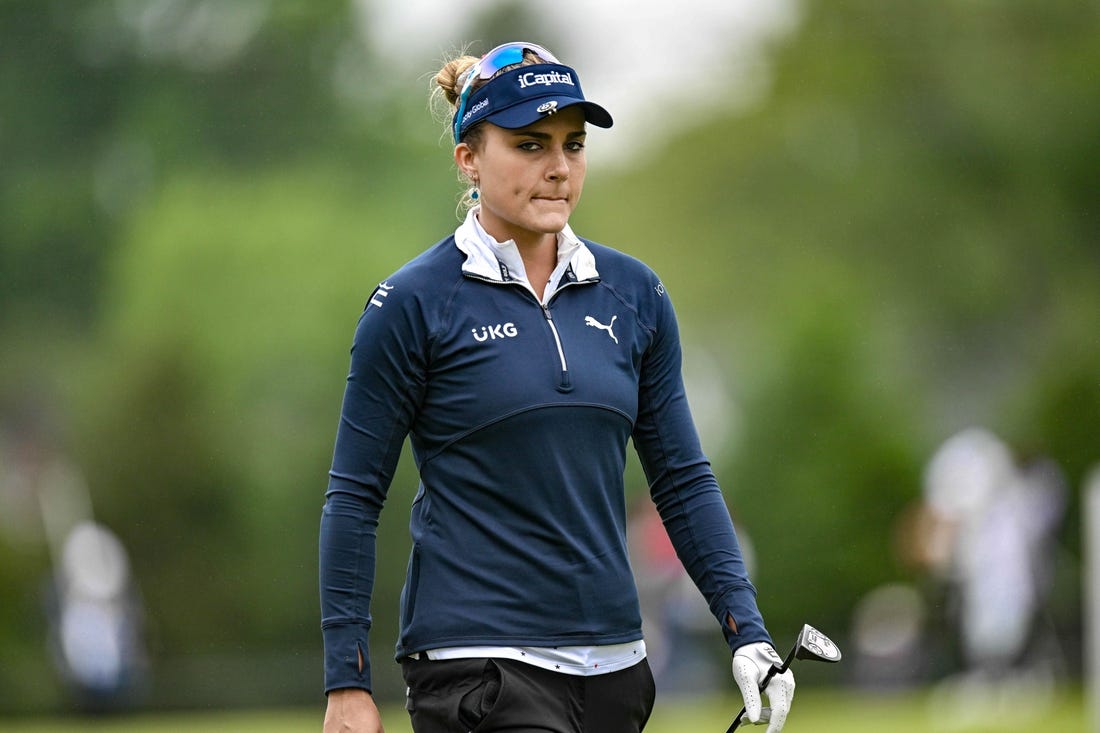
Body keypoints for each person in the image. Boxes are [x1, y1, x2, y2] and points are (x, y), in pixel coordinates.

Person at [319, 41, 795, 733]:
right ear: (469, 158)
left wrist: (745, 627)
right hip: (478, 665)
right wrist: (347, 681)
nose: (558, 167)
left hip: (616, 669)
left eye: (573, 145)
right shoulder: (413, 304)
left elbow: (683, 479)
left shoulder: (636, 294)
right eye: (530, 144)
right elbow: (355, 495)